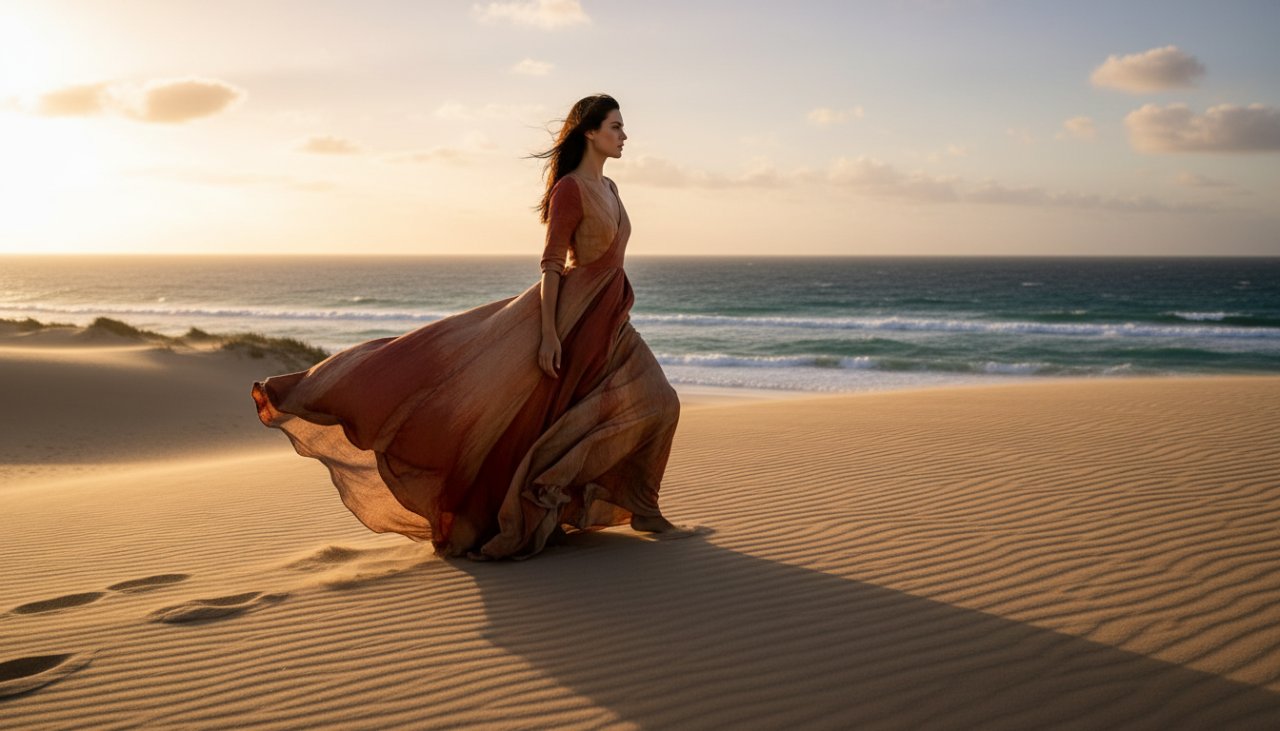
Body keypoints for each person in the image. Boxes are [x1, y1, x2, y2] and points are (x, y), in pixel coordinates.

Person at [251, 93, 693, 560]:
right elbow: (551, 264)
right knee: (558, 418)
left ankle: (640, 506)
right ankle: (606, 505)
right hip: (574, 319)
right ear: (590, 131)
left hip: (612, 316)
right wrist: (546, 334)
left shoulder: (612, 190)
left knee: (659, 403)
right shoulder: (570, 189)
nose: (624, 136)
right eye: (616, 127)